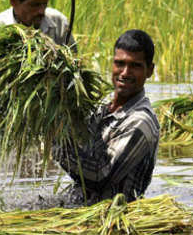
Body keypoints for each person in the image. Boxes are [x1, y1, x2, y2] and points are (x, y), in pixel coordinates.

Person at [53, 30, 160, 205]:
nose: (125, 73)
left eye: (135, 66)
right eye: (120, 63)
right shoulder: (102, 107)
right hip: (81, 206)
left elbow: (98, 176)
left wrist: (57, 140)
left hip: (110, 216)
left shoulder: (141, 122)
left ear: (150, 70)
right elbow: (81, 145)